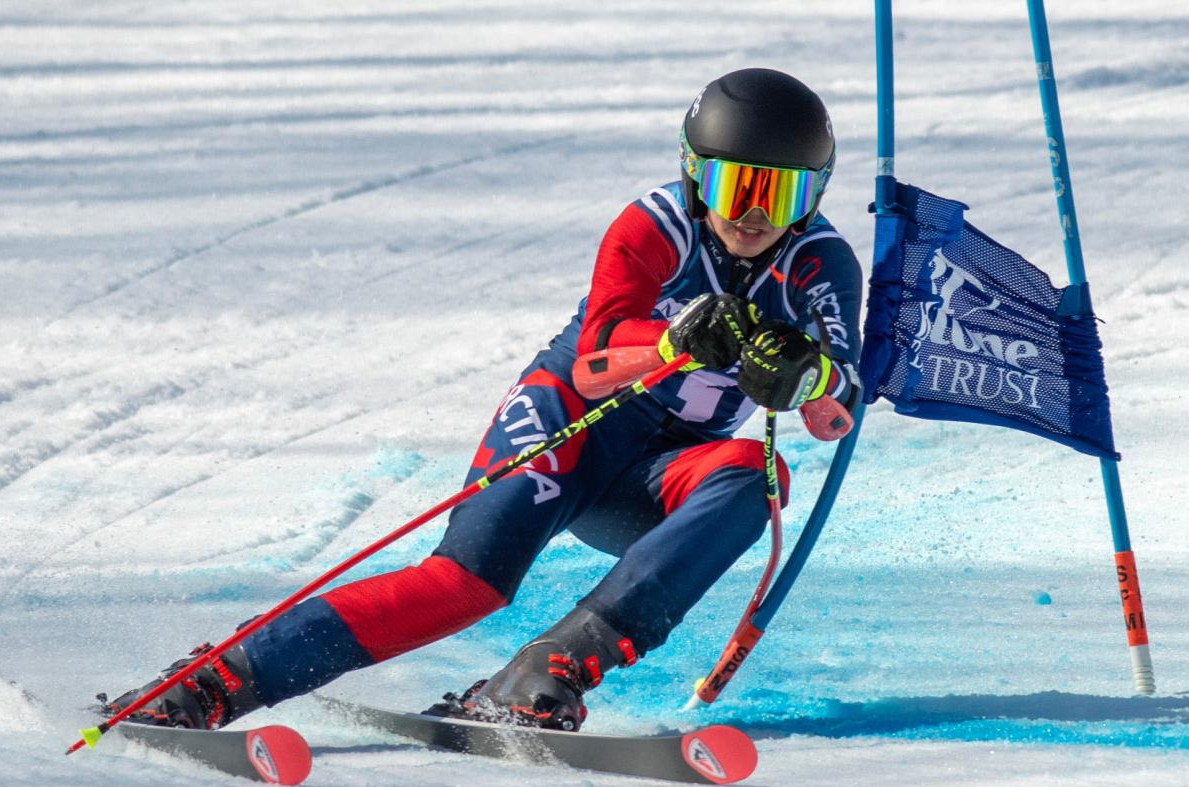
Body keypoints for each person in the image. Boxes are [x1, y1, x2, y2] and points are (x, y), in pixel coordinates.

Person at [102, 67, 863, 733]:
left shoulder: (821, 262)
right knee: (462, 588)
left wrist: (807, 377)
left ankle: (547, 671)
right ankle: (217, 682)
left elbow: (837, 416)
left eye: (783, 192)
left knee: (756, 476)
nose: (755, 215)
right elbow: (595, 367)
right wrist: (672, 345)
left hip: (658, 478)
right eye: (738, 186)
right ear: (697, 174)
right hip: (571, 424)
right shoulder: (652, 227)